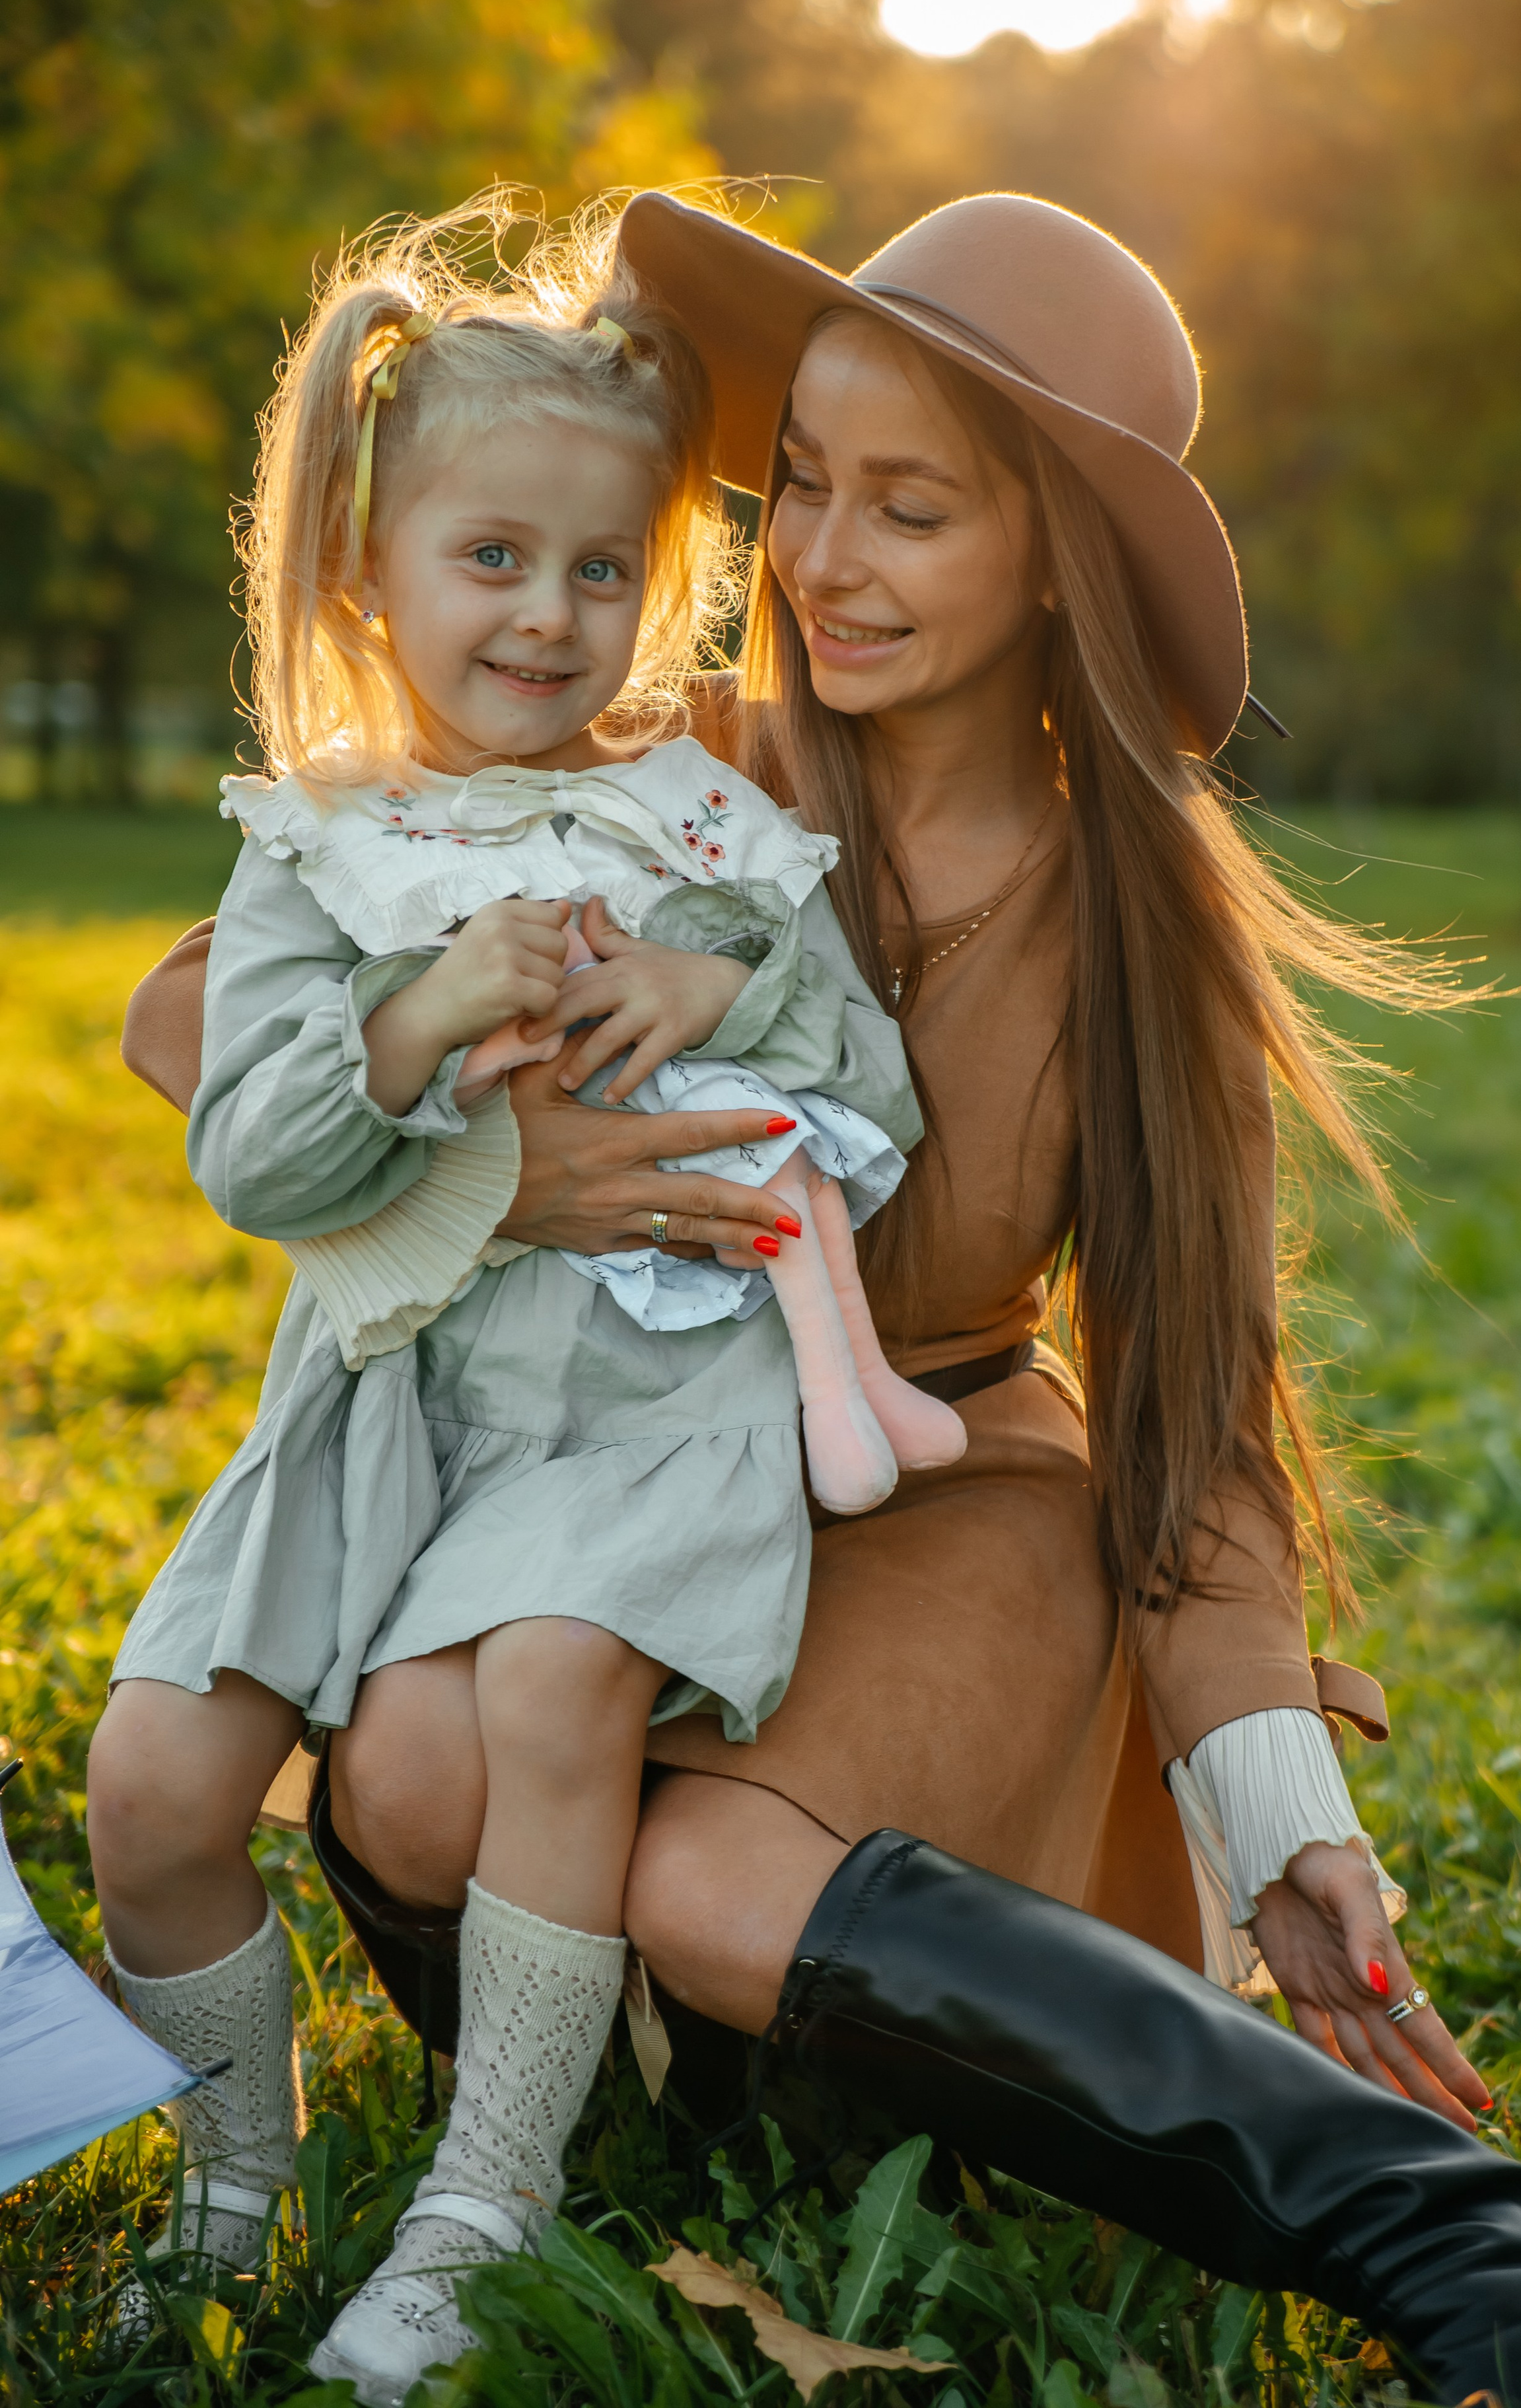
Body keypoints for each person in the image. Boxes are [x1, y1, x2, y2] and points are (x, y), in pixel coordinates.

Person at [120, 190, 1521, 2404]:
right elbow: (198, 1005)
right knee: (418, 1780)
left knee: (710, 1887)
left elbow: (1198, 1408)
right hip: (630, 1455)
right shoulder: (674, 757)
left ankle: (1462, 2243)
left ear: (1054, 562)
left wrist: (1283, 1812)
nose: (826, 563)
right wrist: (503, 1170)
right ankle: (658, 2113)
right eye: (807, 487)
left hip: (942, 1476)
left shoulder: (1135, 919)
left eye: (911, 510)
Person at [84, 194, 951, 2404]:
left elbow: (874, 1087)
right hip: (382, 1396)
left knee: (558, 1686)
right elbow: (257, 1159)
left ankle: (485, 2203)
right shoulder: (323, 845)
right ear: (368, 567)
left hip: (647, 1405)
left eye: (599, 569)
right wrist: (421, 1014)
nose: (550, 616)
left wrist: (720, 985)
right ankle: (232, 2177)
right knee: (154, 1787)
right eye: (491, 558)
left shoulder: (709, 827)